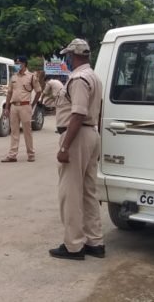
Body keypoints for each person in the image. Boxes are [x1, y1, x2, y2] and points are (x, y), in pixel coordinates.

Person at [49, 38, 104, 261]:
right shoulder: (94, 76)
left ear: (73, 56)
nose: (67, 60)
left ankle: (74, 245)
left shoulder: (79, 78)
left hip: (77, 135)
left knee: (70, 192)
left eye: (68, 57)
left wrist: (65, 146)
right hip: (90, 134)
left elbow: (78, 113)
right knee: (88, 191)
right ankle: (94, 241)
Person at [1, 56, 42, 163]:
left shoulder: (31, 76)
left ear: (24, 64)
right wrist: (7, 108)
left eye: (18, 63)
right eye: (16, 63)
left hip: (25, 106)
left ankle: (31, 154)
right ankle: (12, 155)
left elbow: (38, 91)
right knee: (14, 131)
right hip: (14, 106)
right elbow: (9, 93)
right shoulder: (13, 77)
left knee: (27, 131)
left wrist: (33, 104)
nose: (17, 65)